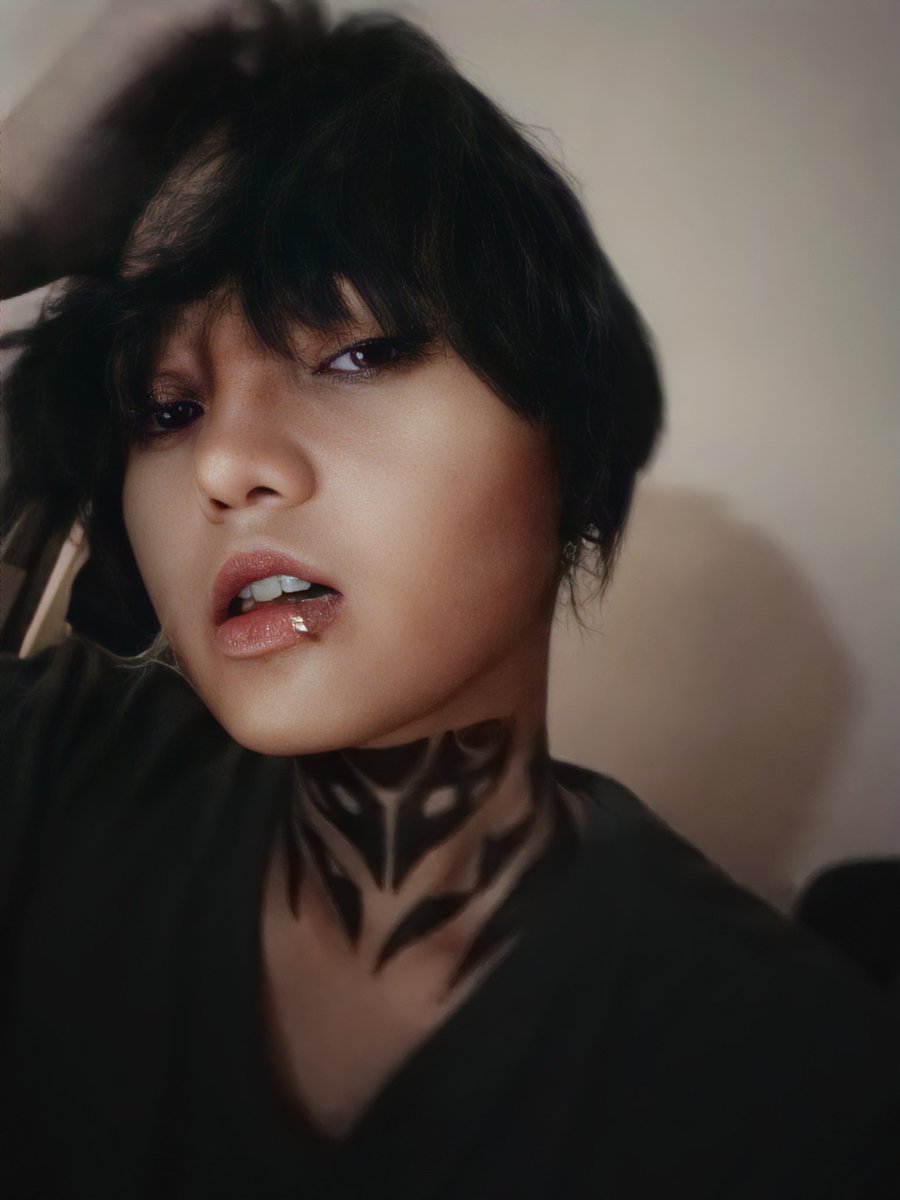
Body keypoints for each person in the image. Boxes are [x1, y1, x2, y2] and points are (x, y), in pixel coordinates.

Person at [1, 2, 898, 1196]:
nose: (224, 464)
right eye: (167, 410)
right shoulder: (51, 769)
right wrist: (13, 211)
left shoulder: (802, 1094)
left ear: (566, 435)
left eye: (355, 352)